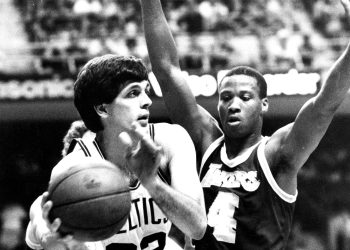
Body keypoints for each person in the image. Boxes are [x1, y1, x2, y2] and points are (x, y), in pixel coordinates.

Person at [140, 0, 350, 249]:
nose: (234, 104)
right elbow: (166, 71)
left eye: (245, 97)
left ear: (264, 105)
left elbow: (324, 105)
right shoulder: (205, 139)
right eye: (226, 98)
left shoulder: (277, 153)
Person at [25, 55, 207, 250]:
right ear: (103, 109)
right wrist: (48, 234)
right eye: (133, 93)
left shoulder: (171, 139)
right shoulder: (75, 167)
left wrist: (152, 183)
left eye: (145, 90)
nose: (147, 101)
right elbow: (43, 220)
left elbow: (197, 227)